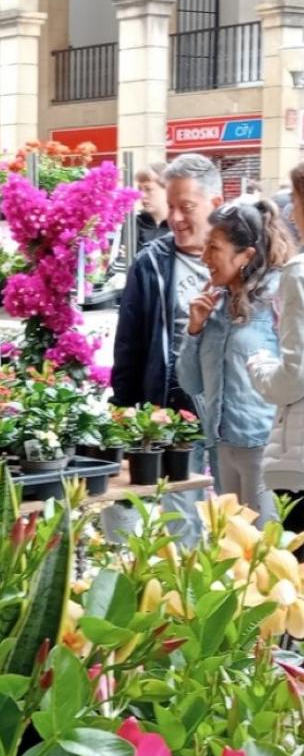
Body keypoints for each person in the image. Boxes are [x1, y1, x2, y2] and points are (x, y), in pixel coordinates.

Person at [112, 152, 224, 546]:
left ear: (215, 203)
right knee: (181, 512)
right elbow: (128, 347)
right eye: (171, 206)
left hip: (236, 408)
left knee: (239, 512)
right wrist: (124, 411)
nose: (175, 218)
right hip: (176, 406)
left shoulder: (247, 260)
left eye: (186, 207)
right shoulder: (151, 264)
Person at [176, 200, 293, 525]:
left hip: (265, 449)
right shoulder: (213, 303)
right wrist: (194, 329)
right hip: (221, 444)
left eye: (214, 248)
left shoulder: (279, 300)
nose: (204, 258)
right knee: (233, 551)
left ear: (246, 255)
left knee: (266, 555)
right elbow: (191, 384)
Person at [248, 161, 304, 537]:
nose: (289, 212)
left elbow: (293, 379)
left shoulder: (298, 274)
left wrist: (259, 365)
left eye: (295, 199)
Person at [134, 163, 170, 255]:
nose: (142, 195)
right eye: (139, 189)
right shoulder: (134, 223)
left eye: (148, 189)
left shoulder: (180, 225)